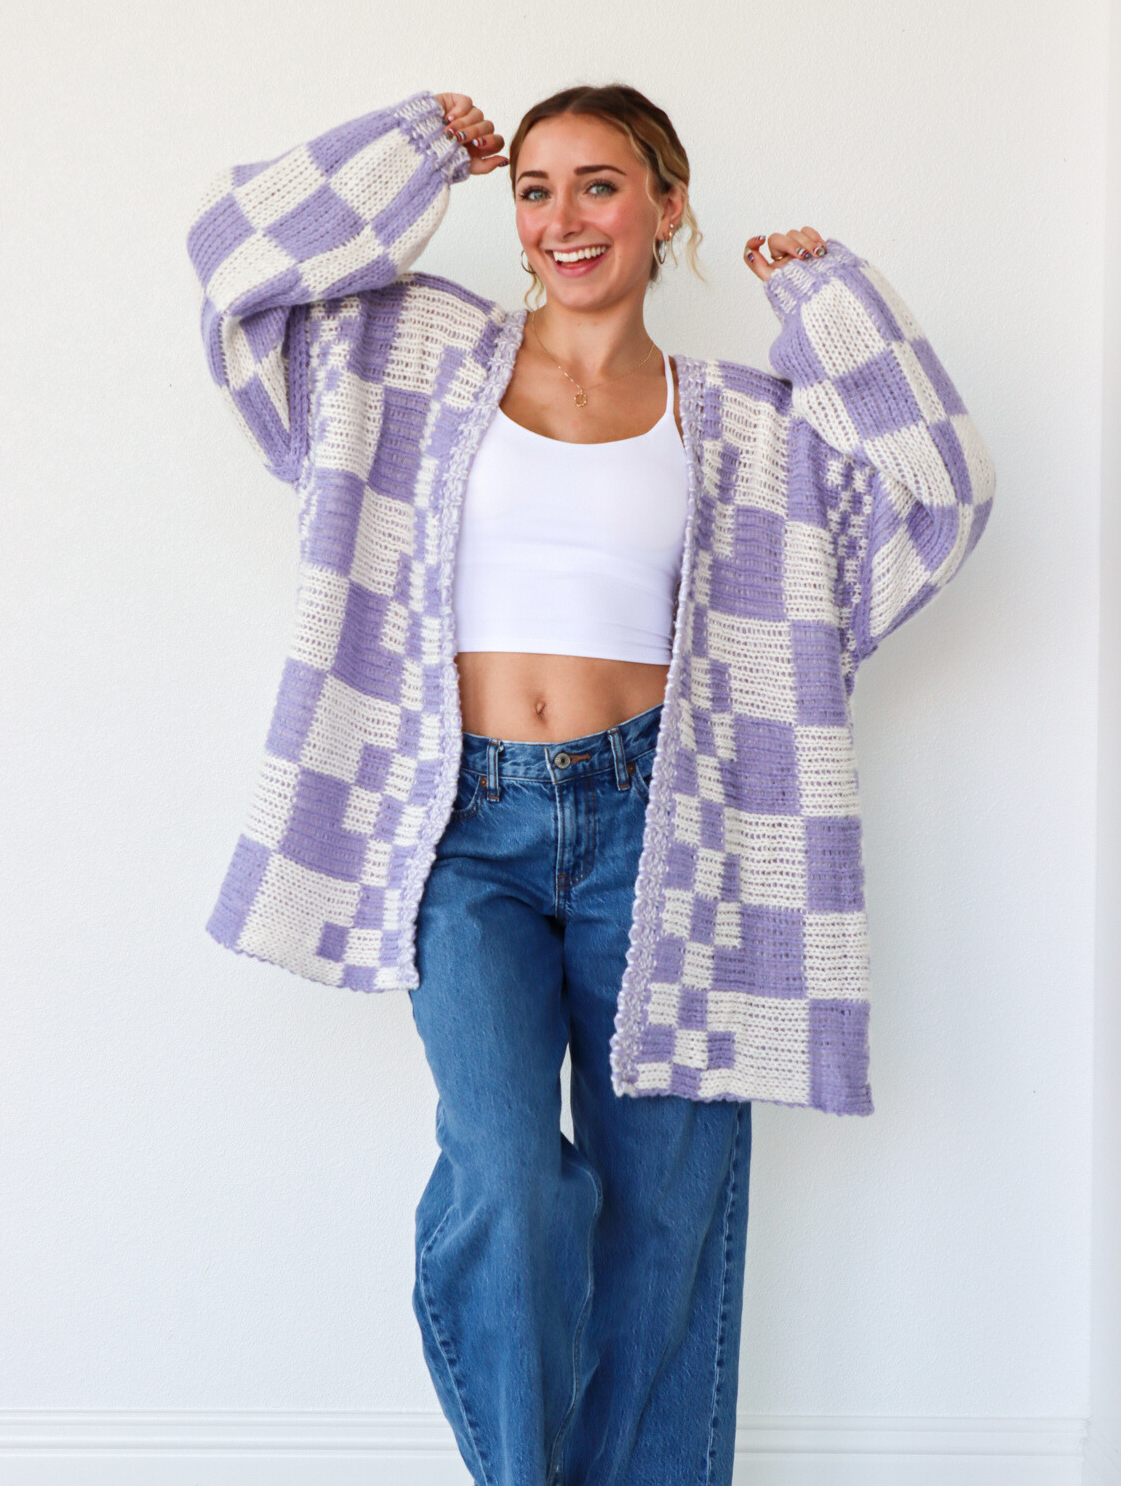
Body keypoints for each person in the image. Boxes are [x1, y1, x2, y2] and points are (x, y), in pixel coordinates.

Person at [186, 84, 994, 1486]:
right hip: (463, 826)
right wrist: (408, 154)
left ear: (667, 205)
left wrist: (833, 306)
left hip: (666, 829)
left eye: (601, 185)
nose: (562, 218)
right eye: (536, 188)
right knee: (505, 1179)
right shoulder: (417, 357)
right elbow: (234, 269)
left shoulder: (748, 421)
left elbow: (945, 492)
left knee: (665, 1216)